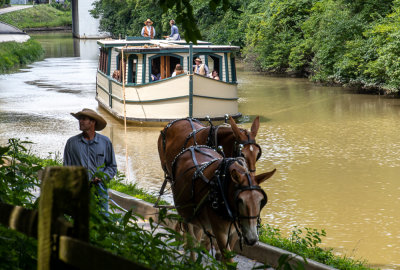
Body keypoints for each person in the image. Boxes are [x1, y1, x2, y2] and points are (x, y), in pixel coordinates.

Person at [63, 108, 117, 213]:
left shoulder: (105, 142)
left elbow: (112, 166)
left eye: (83, 119)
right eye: (79, 119)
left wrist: (102, 177)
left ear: (93, 122)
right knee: (79, 221)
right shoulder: (71, 143)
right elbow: (66, 169)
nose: (80, 121)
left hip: (99, 189)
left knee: (102, 220)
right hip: (78, 190)